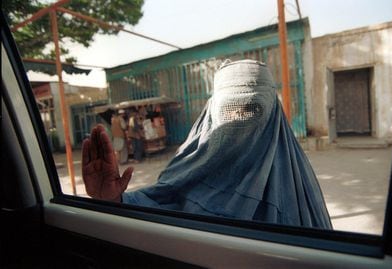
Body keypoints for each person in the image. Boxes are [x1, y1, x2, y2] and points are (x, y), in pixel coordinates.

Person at [82, 60, 332, 229]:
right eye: (229, 111)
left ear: (272, 114)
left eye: (252, 109)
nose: (238, 120)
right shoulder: (187, 167)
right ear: (212, 112)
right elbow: (158, 205)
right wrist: (113, 200)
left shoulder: (298, 188)